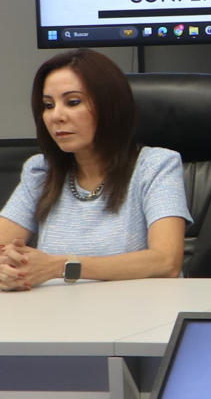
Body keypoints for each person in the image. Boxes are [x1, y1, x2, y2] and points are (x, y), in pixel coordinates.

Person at [0, 50, 190, 290]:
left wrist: (60, 267)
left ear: (109, 107)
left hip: (138, 314)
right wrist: (7, 268)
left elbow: (166, 262)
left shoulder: (155, 166)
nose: (56, 116)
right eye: (48, 105)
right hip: (56, 316)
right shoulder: (41, 171)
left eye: (73, 102)